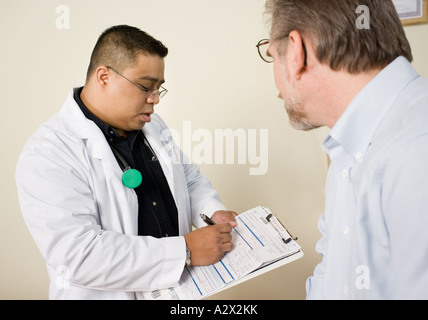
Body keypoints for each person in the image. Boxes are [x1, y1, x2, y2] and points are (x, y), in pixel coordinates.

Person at [16, 25, 237, 300]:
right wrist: (185, 251)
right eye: (145, 87)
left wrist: (212, 212)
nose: (154, 100)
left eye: (159, 88)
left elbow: (187, 178)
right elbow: (78, 255)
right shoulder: (49, 151)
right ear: (104, 77)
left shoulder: (153, 126)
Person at [261, 0, 428, 299]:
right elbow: (336, 269)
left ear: (296, 52)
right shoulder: (350, 144)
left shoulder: (416, 148)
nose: (275, 81)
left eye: (271, 55)